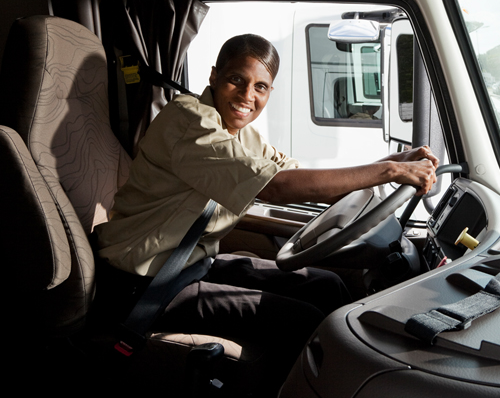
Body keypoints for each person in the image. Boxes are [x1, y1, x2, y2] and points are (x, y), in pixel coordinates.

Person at [96, 34, 438, 391]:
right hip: (144, 282)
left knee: (325, 285)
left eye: (260, 86)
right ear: (214, 76)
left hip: (190, 266)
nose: (247, 96)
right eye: (236, 80)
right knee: (303, 320)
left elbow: (300, 179)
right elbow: (274, 187)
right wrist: (388, 173)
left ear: (270, 92)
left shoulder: (241, 135)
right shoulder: (188, 120)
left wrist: (390, 161)